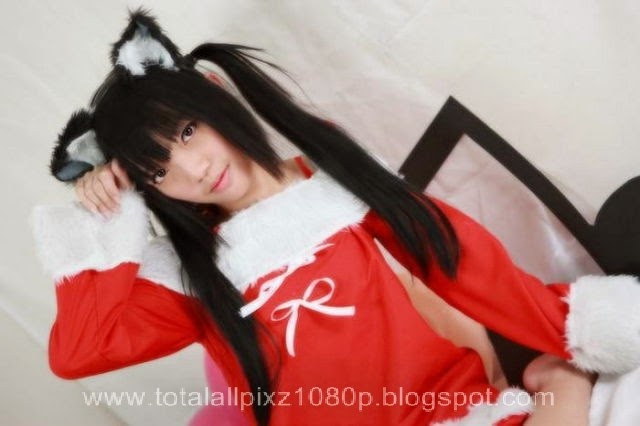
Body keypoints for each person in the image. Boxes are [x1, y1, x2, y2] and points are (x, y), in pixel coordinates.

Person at [31, 8, 640, 426]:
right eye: (158, 170)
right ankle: (561, 386)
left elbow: (455, 257)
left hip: (442, 413)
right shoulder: (195, 274)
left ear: (213, 96)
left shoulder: (327, 183)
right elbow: (78, 353)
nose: (193, 168)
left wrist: (572, 326)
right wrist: (112, 215)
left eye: (189, 131)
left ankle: (562, 381)